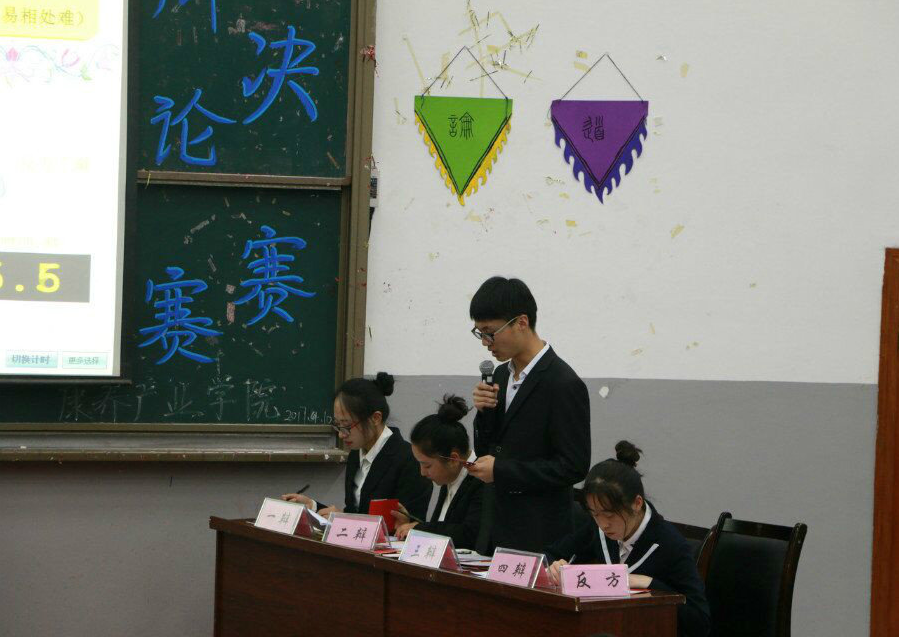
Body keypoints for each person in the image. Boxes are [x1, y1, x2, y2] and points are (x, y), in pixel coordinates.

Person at [468, 276, 590, 553]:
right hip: (495, 524)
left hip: (539, 531)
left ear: (521, 322)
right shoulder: (500, 375)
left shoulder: (563, 383)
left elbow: (573, 466)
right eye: (479, 333)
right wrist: (483, 413)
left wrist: (501, 470)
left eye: (490, 332)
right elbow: (487, 449)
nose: (485, 342)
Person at [546, 442, 710, 637]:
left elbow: (699, 621)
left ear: (637, 503)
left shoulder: (671, 545)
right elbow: (551, 554)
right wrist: (554, 566)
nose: (603, 524)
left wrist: (649, 583)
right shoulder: (598, 530)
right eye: (595, 514)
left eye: (610, 515)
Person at [282, 372, 432, 520]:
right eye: (337, 425)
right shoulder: (356, 453)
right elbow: (355, 512)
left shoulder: (409, 460)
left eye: (347, 426)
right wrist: (313, 507)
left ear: (375, 418)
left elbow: (407, 526)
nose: (341, 435)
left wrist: (344, 519)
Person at [392, 394, 484, 550]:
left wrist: (420, 529)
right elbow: (443, 527)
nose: (422, 472)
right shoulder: (450, 476)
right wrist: (409, 524)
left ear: (453, 459)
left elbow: (469, 534)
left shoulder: (481, 480)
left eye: (427, 466)